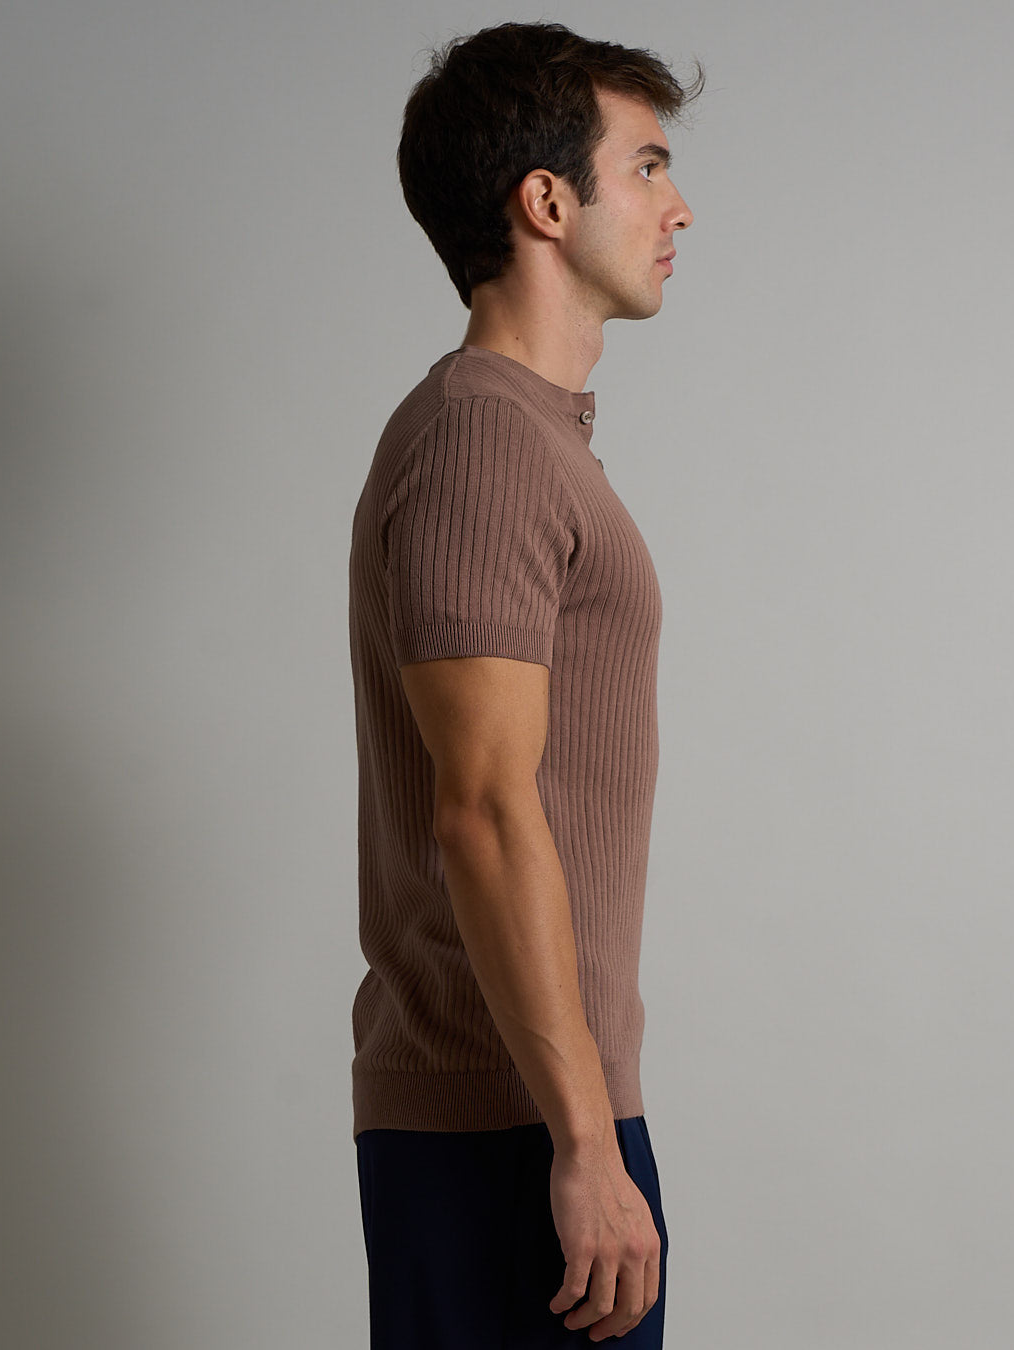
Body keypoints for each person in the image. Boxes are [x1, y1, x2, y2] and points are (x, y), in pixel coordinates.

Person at [347, 20, 701, 1348]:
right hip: (511, 1126)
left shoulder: (529, 437)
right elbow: (485, 811)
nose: (678, 205)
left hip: (541, 1111)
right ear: (547, 201)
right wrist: (584, 1145)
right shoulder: (483, 440)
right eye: (647, 164)